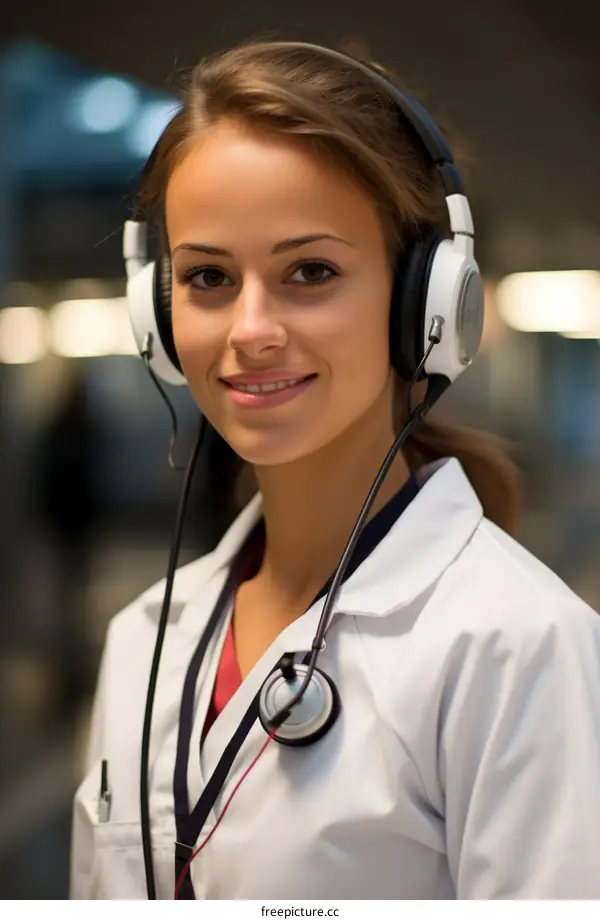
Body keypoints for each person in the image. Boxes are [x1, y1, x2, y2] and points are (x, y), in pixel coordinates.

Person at [70, 40, 600, 900]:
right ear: (158, 317)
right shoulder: (143, 637)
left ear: (426, 305)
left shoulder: (517, 650)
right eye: (206, 276)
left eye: (309, 272)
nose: (249, 328)